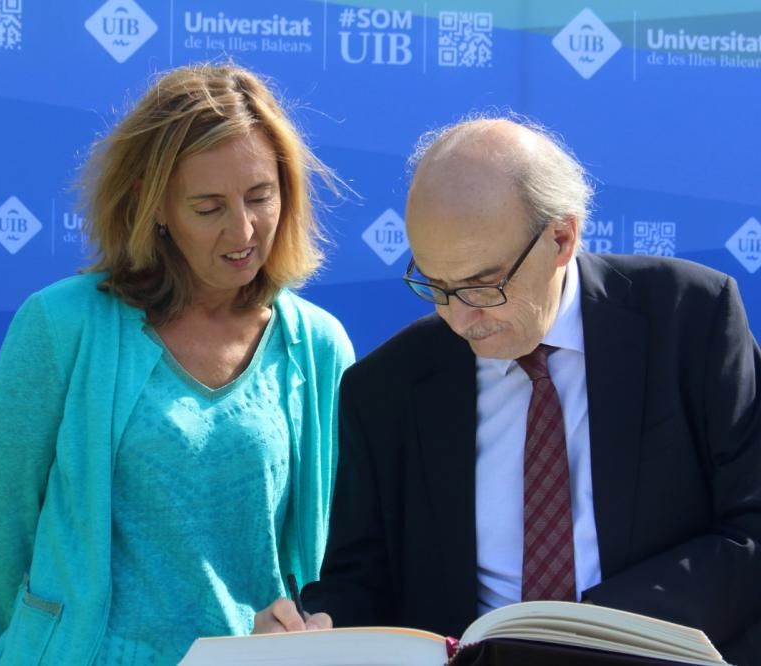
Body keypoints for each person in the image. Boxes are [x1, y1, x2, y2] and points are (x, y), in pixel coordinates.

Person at [254, 116, 761, 662]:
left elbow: (750, 529)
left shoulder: (691, 320)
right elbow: (361, 581)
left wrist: (587, 631)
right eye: (435, 286)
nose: (460, 319)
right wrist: (314, 632)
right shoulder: (386, 388)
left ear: (561, 238)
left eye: (483, 285)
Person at [0, 63, 354, 665]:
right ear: (157, 207)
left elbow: (330, 560)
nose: (244, 229)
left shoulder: (320, 345)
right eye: (208, 207)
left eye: (260, 197)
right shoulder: (59, 325)